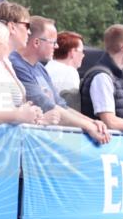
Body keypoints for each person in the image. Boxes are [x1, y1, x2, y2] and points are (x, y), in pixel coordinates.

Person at [9, 15, 110, 145]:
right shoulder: (16, 64)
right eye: (53, 42)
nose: (56, 46)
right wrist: (88, 126)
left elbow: (61, 105)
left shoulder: (40, 67)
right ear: (36, 42)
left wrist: (92, 122)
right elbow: (46, 106)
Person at [47, 30, 85, 107]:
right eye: (82, 51)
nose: (83, 55)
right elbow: (71, 106)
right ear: (73, 52)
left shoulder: (46, 68)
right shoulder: (70, 73)